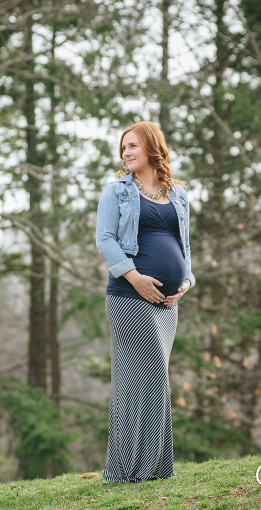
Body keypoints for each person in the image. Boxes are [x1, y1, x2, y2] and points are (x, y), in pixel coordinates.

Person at [95, 121, 195, 482]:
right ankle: (135, 469)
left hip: (167, 304)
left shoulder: (178, 195)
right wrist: (134, 277)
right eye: (123, 148)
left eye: (133, 146)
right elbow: (105, 240)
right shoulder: (117, 191)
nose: (126, 153)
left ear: (152, 147)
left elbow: (185, 248)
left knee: (149, 379)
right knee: (144, 376)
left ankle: (142, 469)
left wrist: (185, 280)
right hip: (128, 296)